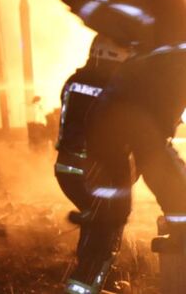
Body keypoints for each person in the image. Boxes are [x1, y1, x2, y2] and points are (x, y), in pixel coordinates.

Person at [28, 0, 186, 294]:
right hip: (161, 57)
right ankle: (142, 214)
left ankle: (115, 214)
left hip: (166, 58)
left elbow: (129, 23)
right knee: (130, 137)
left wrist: (80, 2)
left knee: (124, 129)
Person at [53, 35, 131, 289]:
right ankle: (83, 287)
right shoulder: (117, 87)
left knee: (96, 222)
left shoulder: (74, 81)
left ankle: (96, 282)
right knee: (105, 235)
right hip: (96, 171)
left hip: (67, 168)